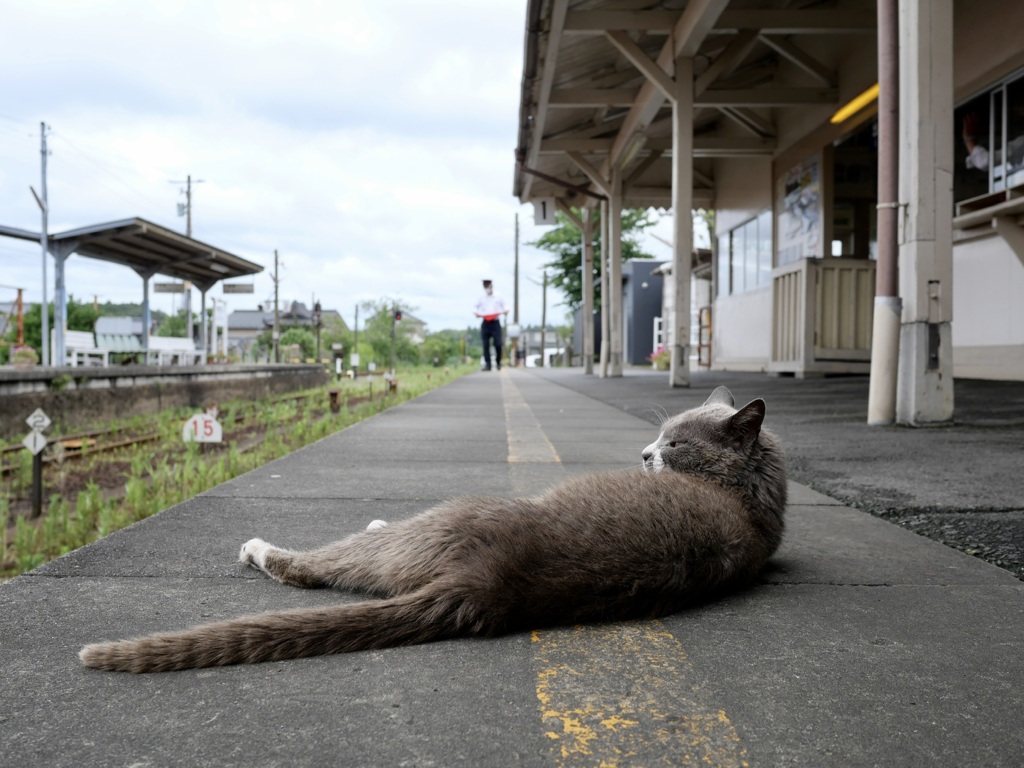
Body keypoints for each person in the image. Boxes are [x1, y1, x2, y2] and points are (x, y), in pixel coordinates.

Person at [473, 279, 509, 371]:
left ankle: (498, 363)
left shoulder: (498, 296)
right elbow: (474, 307)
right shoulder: (481, 297)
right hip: (485, 322)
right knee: (485, 345)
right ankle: (487, 365)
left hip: (495, 322)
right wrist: (476, 313)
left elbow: (505, 306)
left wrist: (505, 311)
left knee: (498, 344)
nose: (487, 288)